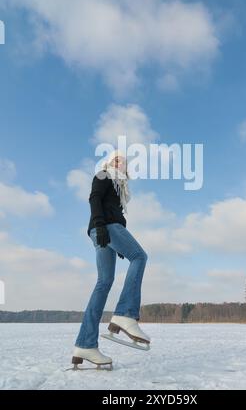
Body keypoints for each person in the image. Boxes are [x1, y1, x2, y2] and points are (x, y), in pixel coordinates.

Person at [71, 150, 150, 369]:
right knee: (140, 257)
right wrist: (99, 224)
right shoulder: (104, 176)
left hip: (105, 231)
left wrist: (118, 243)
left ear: (125, 168)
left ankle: (85, 345)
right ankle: (126, 314)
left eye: (122, 160)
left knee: (104, 282)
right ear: (108, 162)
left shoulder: (120, 188)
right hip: (104, 227)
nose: (118, 161)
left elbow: (116, 213)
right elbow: (94, 198)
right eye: (115, 158)